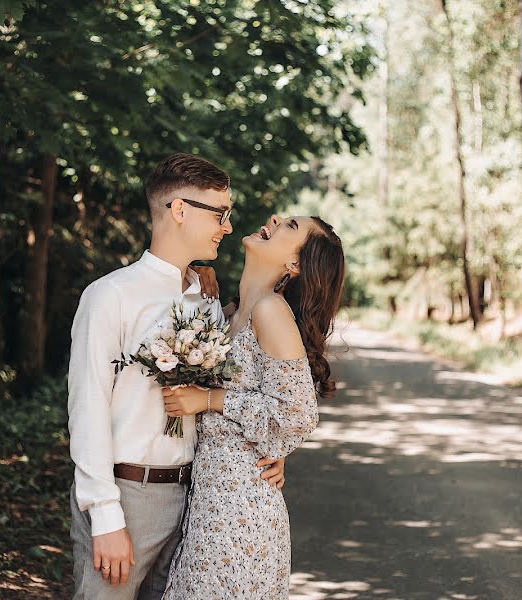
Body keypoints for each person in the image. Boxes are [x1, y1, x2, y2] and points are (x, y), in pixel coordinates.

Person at [68, 154, 286, 600]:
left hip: (197, 499)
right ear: (180, 210)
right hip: (127, 495)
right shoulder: (109, 296)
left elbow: (227, 394)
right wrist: (106, 517)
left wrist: (264, 449)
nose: (227, 226)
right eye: (220, 214)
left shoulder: (204, 298)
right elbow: (86, 409)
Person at [159, 213, 346, 599]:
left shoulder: (270, 311)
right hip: (208, 500)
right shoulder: (231, 312)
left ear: (295, 264)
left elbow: (297, 415)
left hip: (240, 510)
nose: (275, 218)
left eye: (290, 227)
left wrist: (209, 400)